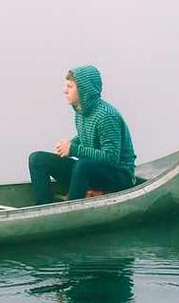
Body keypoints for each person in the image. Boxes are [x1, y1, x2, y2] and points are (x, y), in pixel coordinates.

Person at [28, 65, 137, 205]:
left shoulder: (106, 116)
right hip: (93, 171)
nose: (64, 91)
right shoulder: (81, 112)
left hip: (119, 177)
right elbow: (86, 137)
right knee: (37, 159)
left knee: (83, 164)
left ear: (84, 89)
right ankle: (43, 207)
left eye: (70, 86)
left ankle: (70, 209)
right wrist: (69, 146)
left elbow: (111, 157)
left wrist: (73, 149)